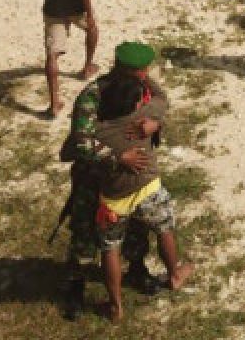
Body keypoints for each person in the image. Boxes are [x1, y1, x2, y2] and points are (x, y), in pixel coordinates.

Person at [58, 42, 168, 320]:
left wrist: (157, 125)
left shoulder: (140, 89)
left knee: (135, 227)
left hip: (126, 180)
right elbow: (81, 143)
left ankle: (137, 270)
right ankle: (76, 287)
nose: (146, 75)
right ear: (128, 71)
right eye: (143, 70)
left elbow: (157, 108)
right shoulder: (91, 97)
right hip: (92, 178)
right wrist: (119, 157)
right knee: (84, 231)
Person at [93, 73, 193, 321]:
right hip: (148, 189)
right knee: (165, 230)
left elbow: (77, 147)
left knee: (110, 249)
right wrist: (144, 76)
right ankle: (175, 274)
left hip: (114, 200)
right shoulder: (142, 120)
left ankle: (116, 307)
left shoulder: (98, 132)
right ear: (134, 105)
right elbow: (161, 97)